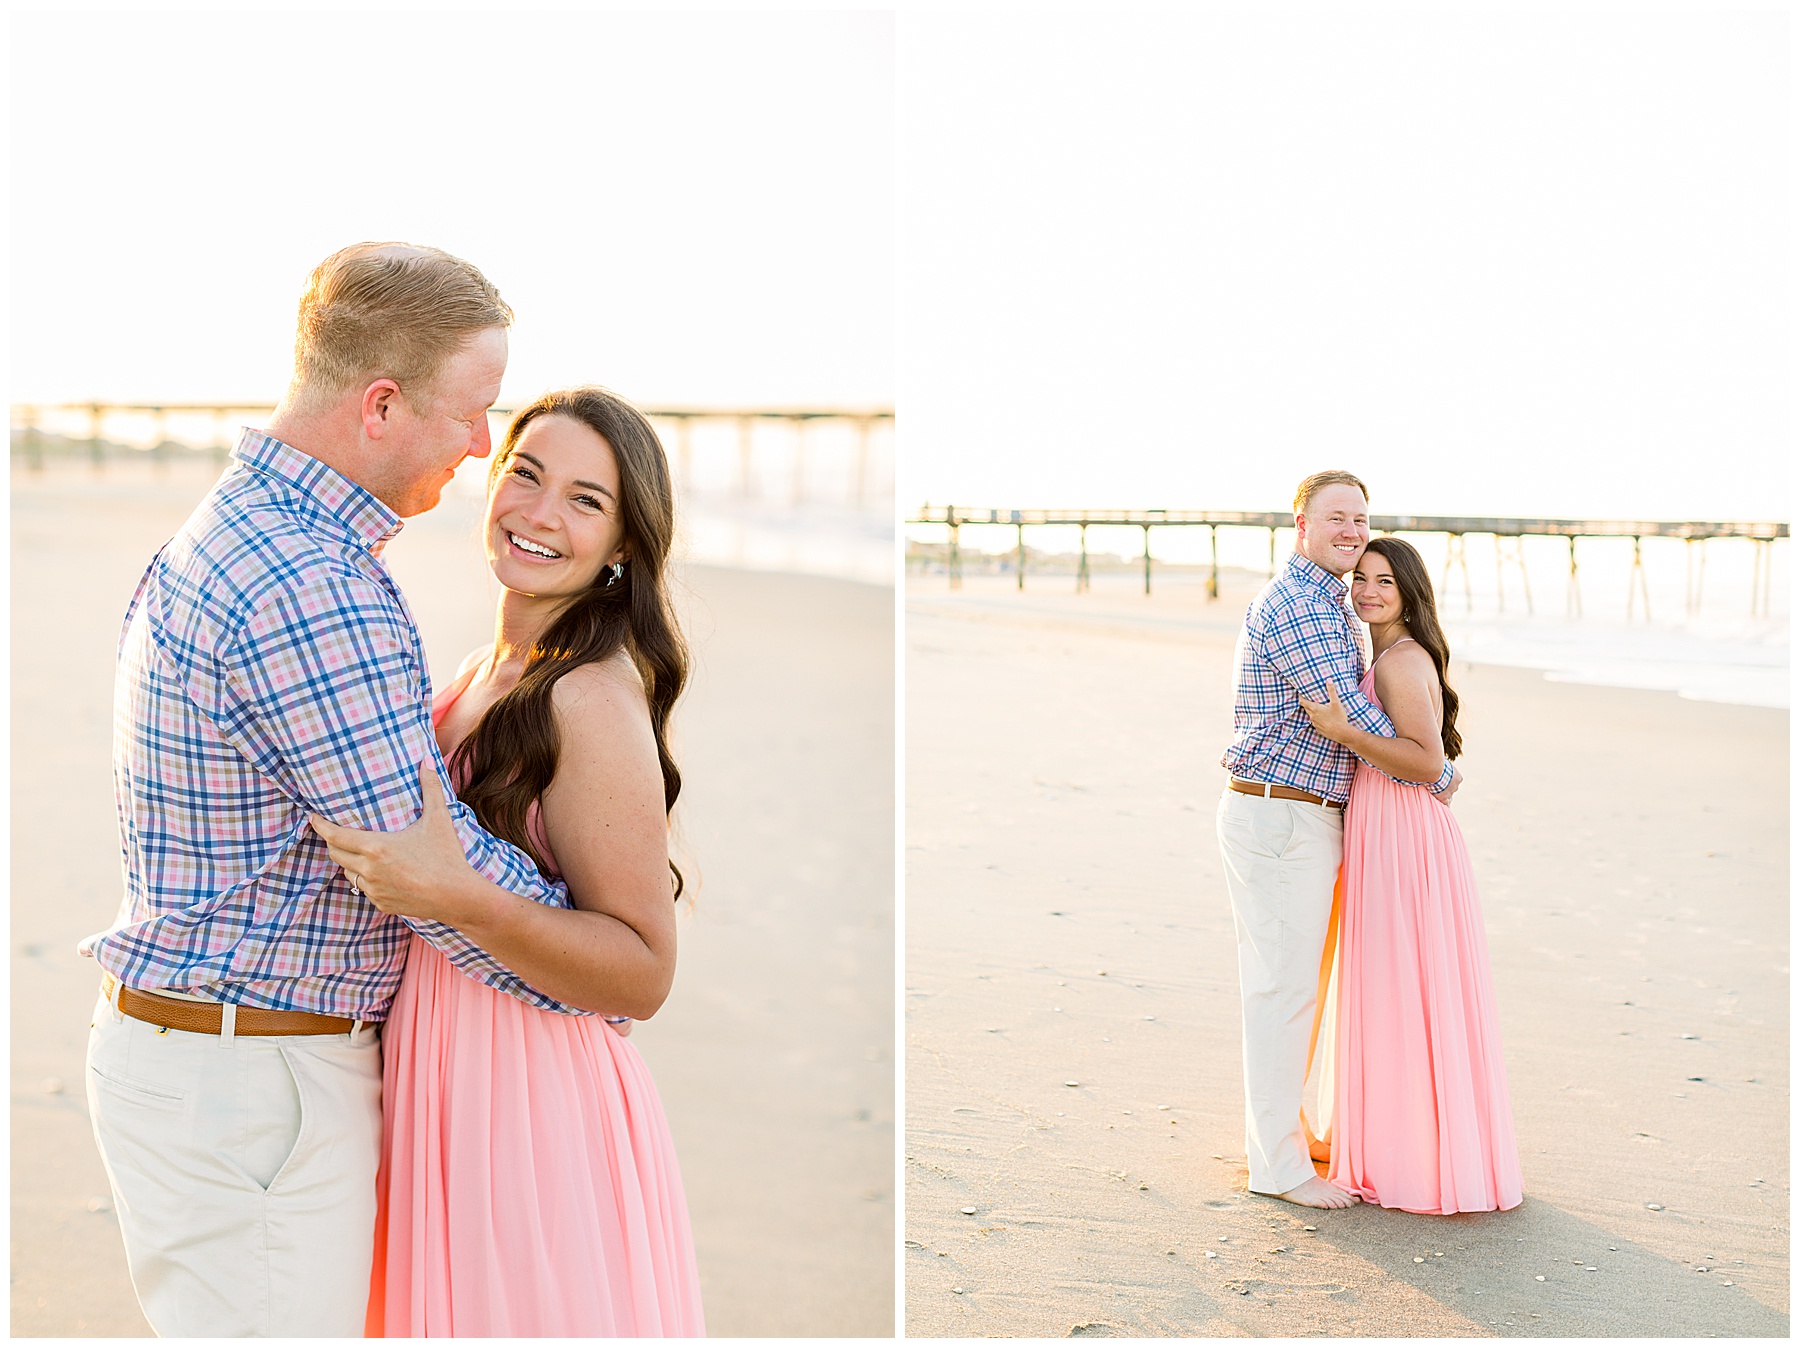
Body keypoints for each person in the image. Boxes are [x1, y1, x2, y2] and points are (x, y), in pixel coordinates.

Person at [80, 242, 592, 1336]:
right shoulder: (308, 583)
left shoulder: (248, 531)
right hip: (252, 1086)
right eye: (471, 413)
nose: (481, 447)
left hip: (223, 1069)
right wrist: (598, 953)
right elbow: (424, 865)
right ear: (380, 404)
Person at [313, 387, 706, 1335]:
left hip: (529, 1108)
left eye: (585, 499)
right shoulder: (477, 672)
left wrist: (459, 896)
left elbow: (645, 970)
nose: (538, 513)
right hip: (437, 1080)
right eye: (525, 474)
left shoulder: (588, 699)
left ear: (621, 546)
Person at [1215, 470, 1461, 1209]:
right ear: (1301, 523)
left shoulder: (1334, 604)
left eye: (1360, 518)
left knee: (1303, 987)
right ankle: (1280, 1168)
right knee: (1283, 990)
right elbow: (1348, 715)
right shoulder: (1296, 604)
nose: (1351, 531)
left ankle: (1287, 1137)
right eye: (1336, 519)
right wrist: (1437, 774)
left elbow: (1352, 714)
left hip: (1305, 814)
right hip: (1280, 812)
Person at [1297, 537, 1523, 1213]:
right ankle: (1424, 1148)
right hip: (1394, 832)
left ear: (1410, 593)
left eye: (1384, 582)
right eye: (1361, 579)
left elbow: (1425, 763)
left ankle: (1415, 1161)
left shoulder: (1399, 661)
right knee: (1406, 993)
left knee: (1402, 989)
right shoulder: (1393, 655)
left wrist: (1345, 732)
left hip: (1404, 837)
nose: (1367, 591)